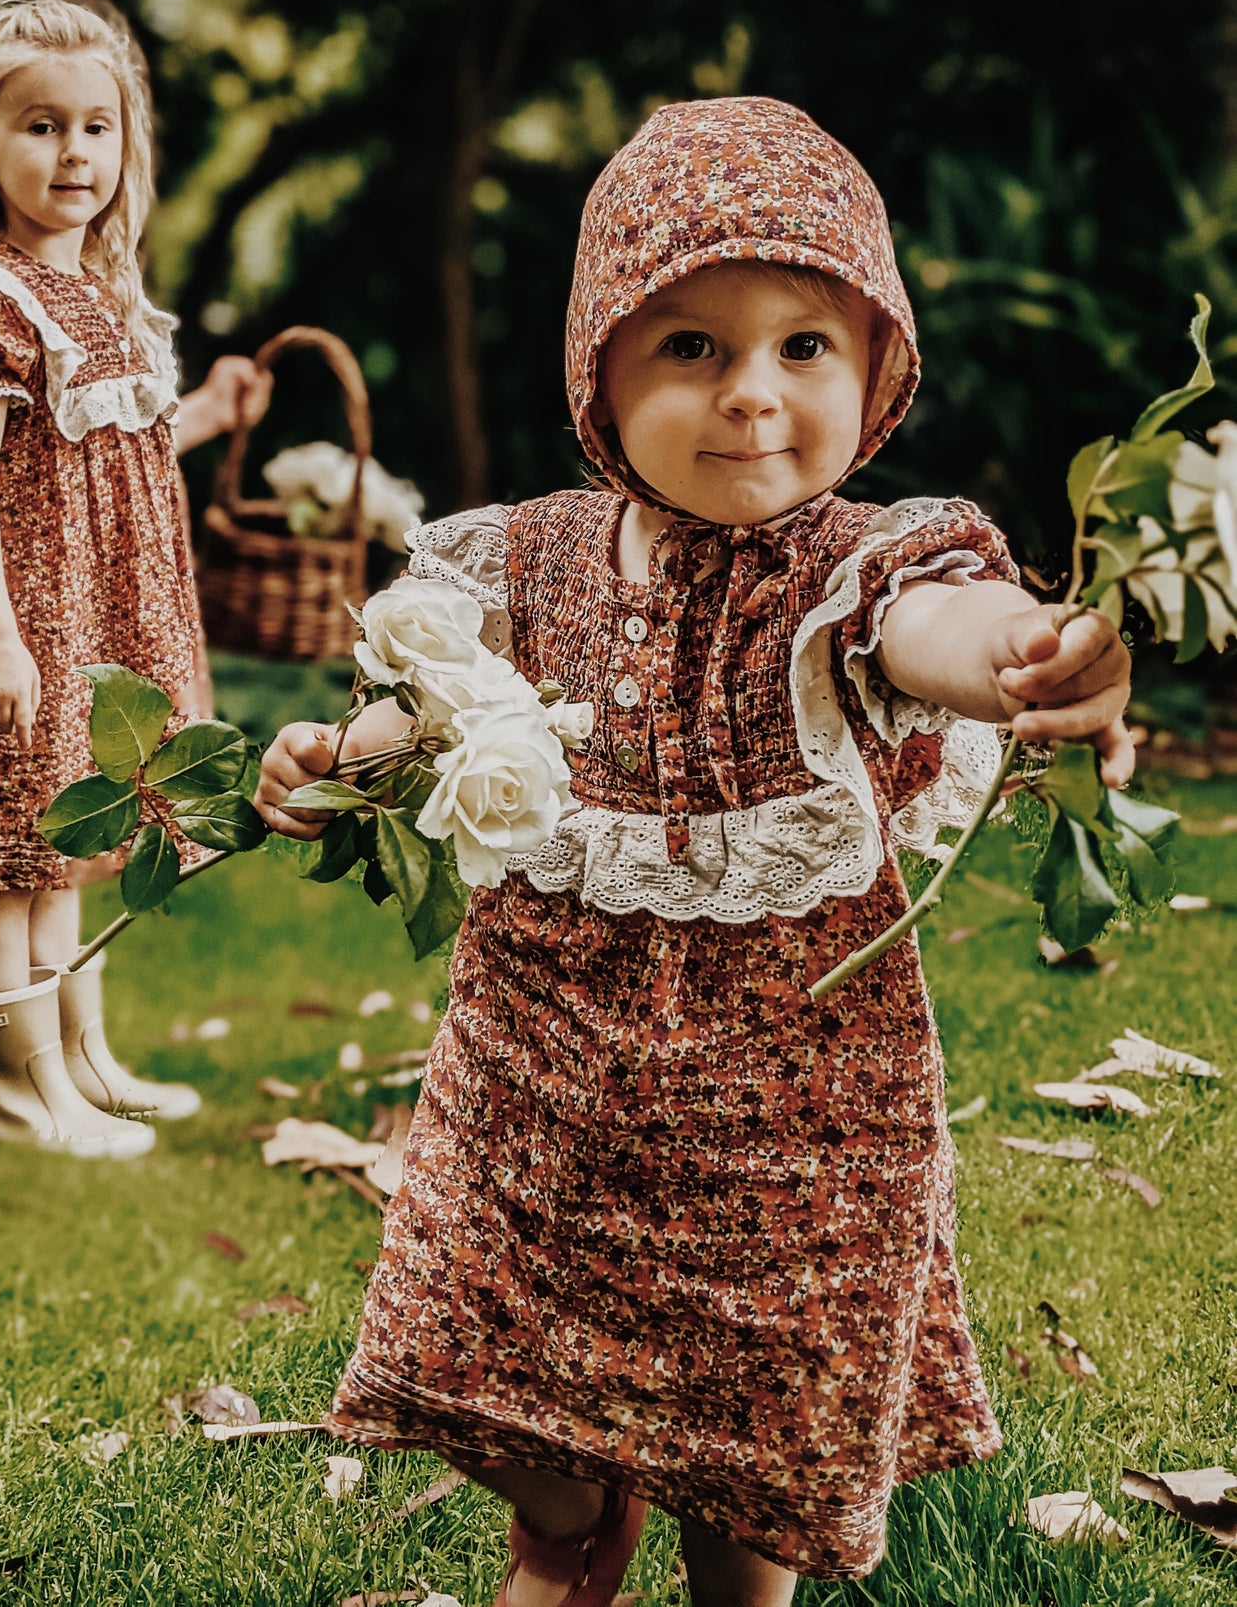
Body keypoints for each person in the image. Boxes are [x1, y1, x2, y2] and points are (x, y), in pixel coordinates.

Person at [254, 98, 1134, 1604]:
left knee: (754, 1406)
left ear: (876, 369)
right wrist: (344, 761)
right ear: (601, 370)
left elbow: (939, 630)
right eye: (692, 347)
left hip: (789, 1084)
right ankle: (561, 1514)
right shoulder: (527, 554)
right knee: (459, 1330)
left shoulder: (861, 564)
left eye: (805, 345)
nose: (751, 395)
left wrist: (1035, 656)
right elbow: (449, 708)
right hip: (540, 1055)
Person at [0, 0, 265, 1157]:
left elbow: (113, 454)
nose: (73, 152)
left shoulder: (99, 297)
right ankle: (15, 1095)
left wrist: (201, 412)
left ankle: (81, 1064)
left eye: (94, 127)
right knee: (13, 857)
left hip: (107, 617)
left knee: (76, 846)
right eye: (41, 126)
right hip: (32, 619)